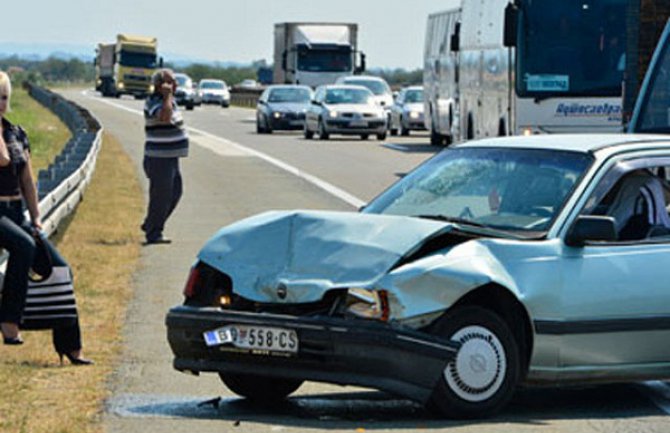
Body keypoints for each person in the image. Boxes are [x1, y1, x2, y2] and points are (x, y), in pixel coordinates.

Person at [0, 71, 91, 365]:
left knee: (61, 268)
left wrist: (36, 216)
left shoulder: (16, 132)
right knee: (24, 247)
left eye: (4, 97)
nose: (1, 103)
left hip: (16, 212)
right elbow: (1, 159)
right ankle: (9, 323)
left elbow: (26, 179)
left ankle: (71, 347)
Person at [141, 69, 189, 244]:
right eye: (170, 82)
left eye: (174, 82)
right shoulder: (154, 101)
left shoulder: (170, 101)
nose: (174, 85)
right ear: (159, 86)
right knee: (161, 197)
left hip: (171, 157)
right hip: (159, 157)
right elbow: (165, 118)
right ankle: (154, 232)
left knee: (175, 193)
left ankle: (151, 223)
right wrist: (167, 96)